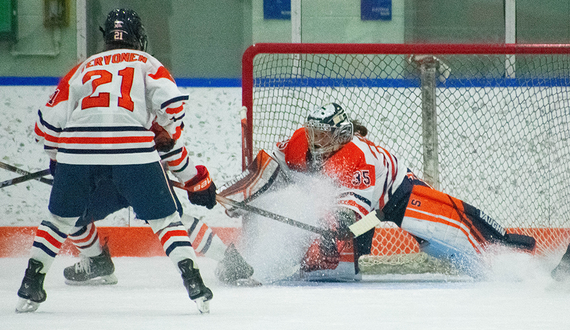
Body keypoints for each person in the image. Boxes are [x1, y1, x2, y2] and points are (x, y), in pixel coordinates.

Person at [16, 9, 215, 313]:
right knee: (165, 221)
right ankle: (194, 281)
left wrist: (60, 157)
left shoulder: (82, 67)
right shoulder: (148, 62)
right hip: (132, 148)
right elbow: (173, 105)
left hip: (77, 148)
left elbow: (46, 126)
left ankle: (31, 283)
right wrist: (163, 128)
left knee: (59, 221)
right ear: (139, 36)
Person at [229, 102, 537, 281]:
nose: (313, 140)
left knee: (447, 235)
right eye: (312, 132)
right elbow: (272, 167)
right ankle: (250, 264)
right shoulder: (300, 142)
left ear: (341, 135)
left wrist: (336, 224)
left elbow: (354, 210)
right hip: (365, 213)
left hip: (396, 195)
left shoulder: (358, 156)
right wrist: (244, 194)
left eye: (321, 135)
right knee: (334, 268)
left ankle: (509, 257)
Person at [60, 122, 254, 287]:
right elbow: (179, 159)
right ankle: (230, 260)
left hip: (112, 181)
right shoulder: (153, 113)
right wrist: (200, 184)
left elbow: (174, 151)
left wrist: (199, 183)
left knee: (71, 214)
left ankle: (95, 260)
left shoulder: (121, 113)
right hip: (139, 178)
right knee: (171, 222)